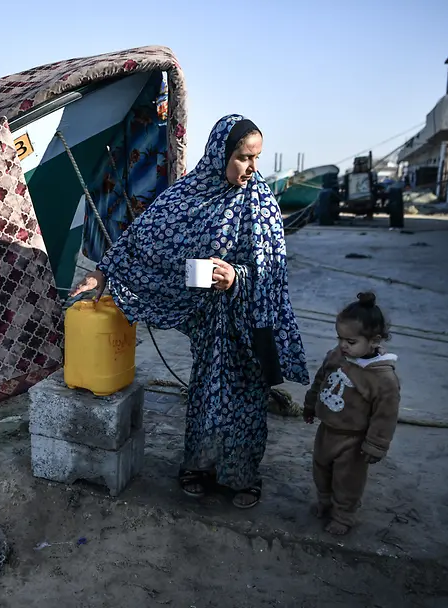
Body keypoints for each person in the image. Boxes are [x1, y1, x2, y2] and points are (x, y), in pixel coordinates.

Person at [70, 114, 309, 509]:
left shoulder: (261, 203)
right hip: (210, 323)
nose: (251, 168)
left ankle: (242, 476)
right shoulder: (187, 195)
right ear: (220, 154)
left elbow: (273, 269)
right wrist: (102, 273)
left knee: (246, 401)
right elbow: (144, 238)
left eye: (256, 159)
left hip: (247, 322)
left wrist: (237, 275)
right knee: (207, 395)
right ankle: (197, 467)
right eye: (243, 158)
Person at [302, 292, 400, 535]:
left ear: (374, 341)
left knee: (347, 480)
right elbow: (320, 380)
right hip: (327, 430)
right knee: (321, 469)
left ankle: (344, 516)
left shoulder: (383, 379)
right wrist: (310, 404)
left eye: (351, 341)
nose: (343, 345)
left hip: (353, 440)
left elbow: (385, 416)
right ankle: (325, 502)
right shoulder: (336, 356)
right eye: (340, 338)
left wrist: (376, 445)